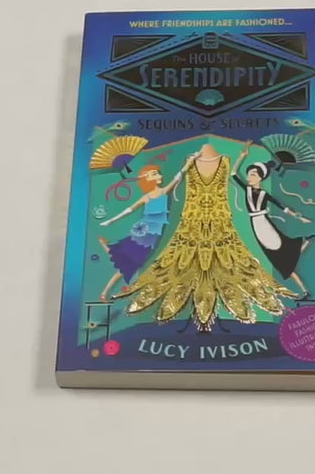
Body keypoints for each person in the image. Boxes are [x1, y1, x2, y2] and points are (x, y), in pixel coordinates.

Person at [116, 142, 293, 332]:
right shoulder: (189, 161)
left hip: (221, 224)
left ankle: (212, 314)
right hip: (191, 224)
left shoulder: (225, 162)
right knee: (175, 267)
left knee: (235, 267)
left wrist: (242, 156)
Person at [96, 161, 188, 302]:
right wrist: (111, 220)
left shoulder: (163, 191)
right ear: (148, 179)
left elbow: (177, 177)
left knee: (125, 263)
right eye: (154, 174)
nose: (159, 176)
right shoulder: (147, 197)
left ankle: (105, 250)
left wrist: (190, 163)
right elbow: (129, 210)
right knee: (127, 263)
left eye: (157, 173)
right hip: (144, 231)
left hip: (151, 235)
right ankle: (106, 291)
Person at [233, 141, 315, 296]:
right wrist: (242, 157)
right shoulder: (247, 189)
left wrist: (301, 218)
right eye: (249, 174)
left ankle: (302, 249)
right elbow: (233, 174)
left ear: (261, 178)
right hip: (256, 224)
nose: (249, 177)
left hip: (263, 224)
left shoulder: (264, 194)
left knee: (278, 255)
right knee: (279, 256)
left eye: (253, 175)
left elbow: (282, 207)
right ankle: (302, 246)